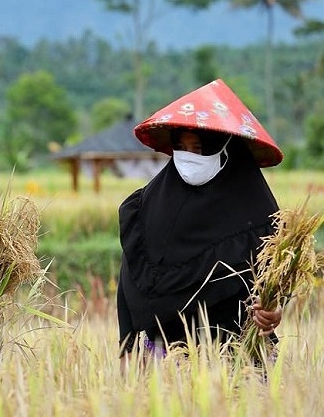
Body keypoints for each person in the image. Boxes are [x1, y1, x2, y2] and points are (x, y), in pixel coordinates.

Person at [117, 79, 284, 364]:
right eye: (181, 147)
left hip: (238, 357)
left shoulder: (261, 219)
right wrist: (128, 349)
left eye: (199, 148)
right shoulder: (145, 207)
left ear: (228, 151)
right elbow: (128, 288)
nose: (188, 157)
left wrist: (273, 312)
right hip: (168, 358)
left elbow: (274, 291)